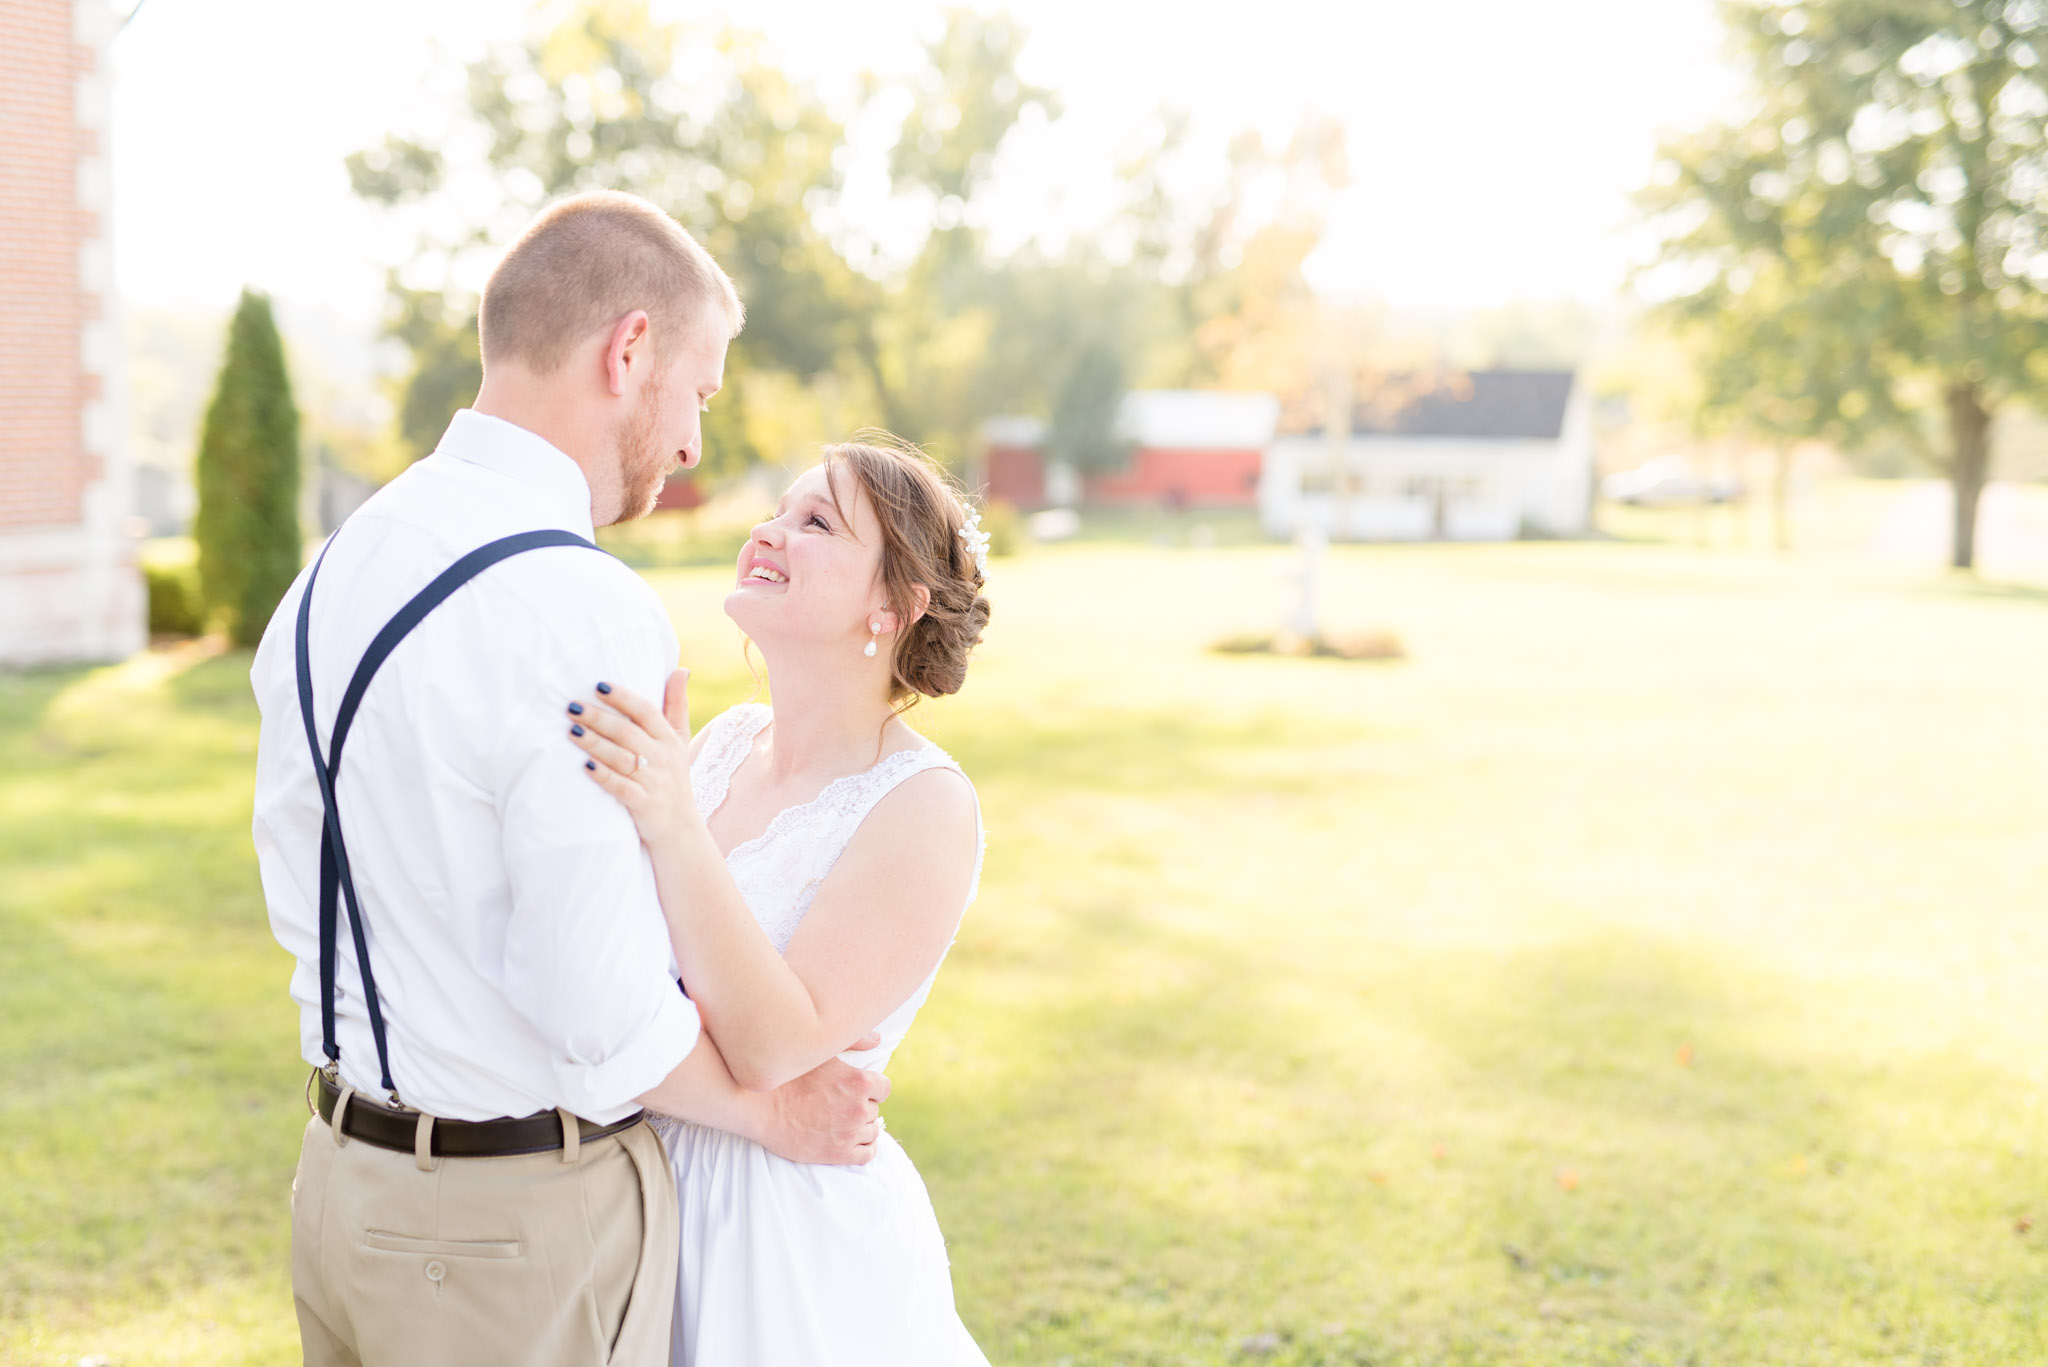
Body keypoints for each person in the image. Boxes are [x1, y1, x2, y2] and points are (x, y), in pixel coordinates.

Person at [249, 191, 890, 1367]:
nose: (695, 442)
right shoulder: (578, 601)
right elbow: (594, 999)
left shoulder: (333, 569)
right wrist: (764, 1113)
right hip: (509, 1235)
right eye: (697, 390)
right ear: (629, 349)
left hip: (340, 1187)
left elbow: (298, 868)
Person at [565, 439, 993, 1365]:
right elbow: (603, 973)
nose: (769, 532)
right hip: (628, 1185)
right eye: (779, 510)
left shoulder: (924, 805)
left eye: (816, 523)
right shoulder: (723, 742)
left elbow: (772, 1044)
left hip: (777, 1233)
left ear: (895, 605)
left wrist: (671, 820)